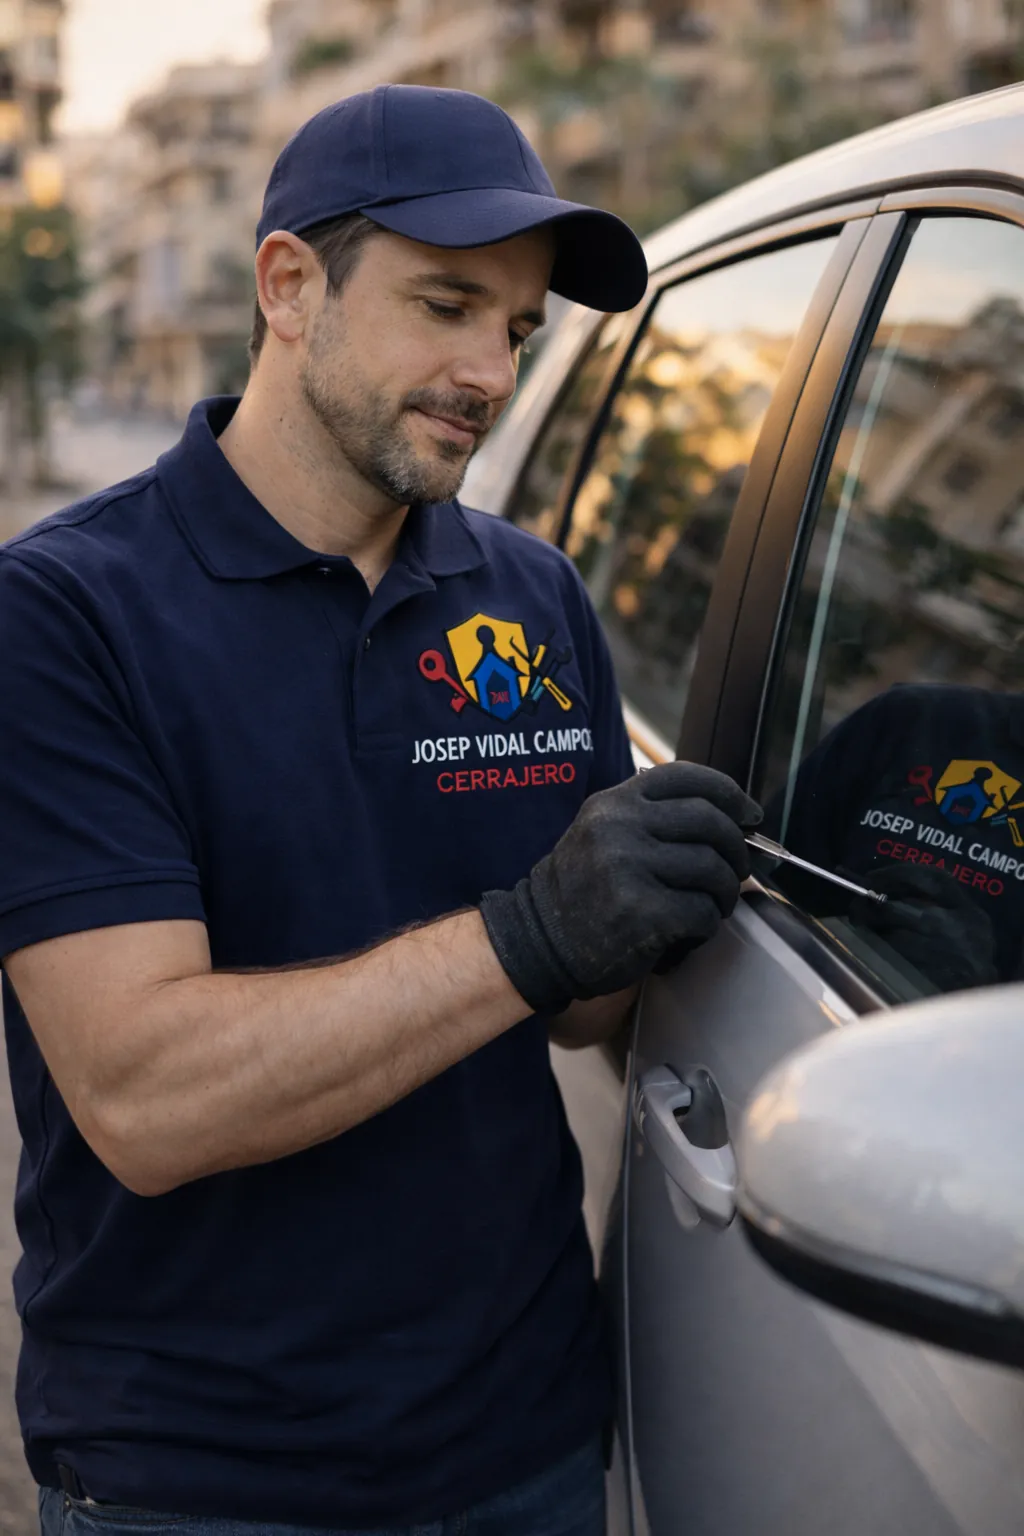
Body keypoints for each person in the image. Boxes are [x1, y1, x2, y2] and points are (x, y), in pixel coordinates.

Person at [0, 86, 759, 1536]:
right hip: (202, 1474)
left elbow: (583, 1013)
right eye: (446, 303)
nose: (488, 370)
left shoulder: (531, 595)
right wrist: (532, 932)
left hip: (525, 1440)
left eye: (519, 331)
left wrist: (684, 899)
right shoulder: (66, 615)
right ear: (291, 286)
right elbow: (145, 1101)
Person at [765, 682, 1024, 993]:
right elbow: (766, 877)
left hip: (949, 1037)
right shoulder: (912, 720)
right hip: (801, 1000)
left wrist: (975, 992)